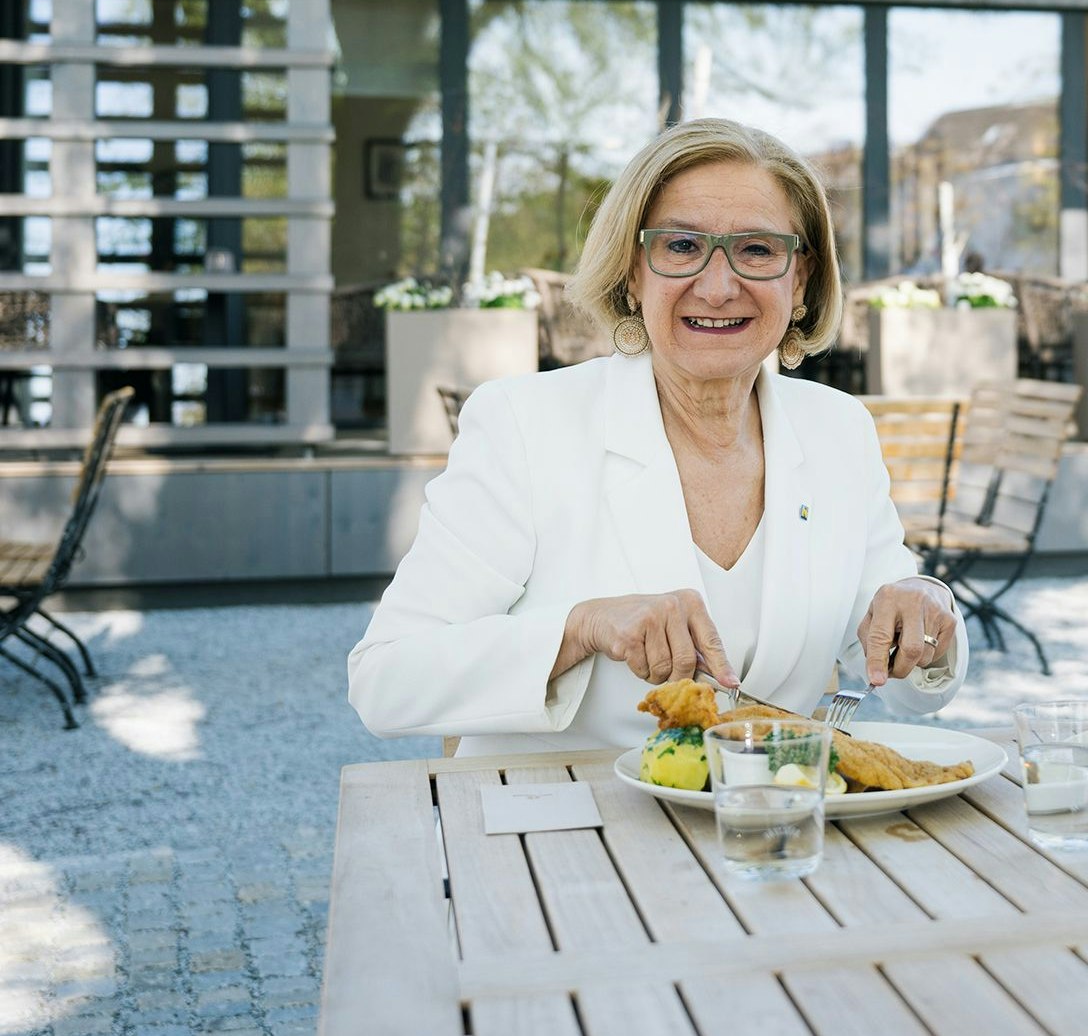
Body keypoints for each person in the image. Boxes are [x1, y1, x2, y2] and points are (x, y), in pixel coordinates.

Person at [349, 118, 964, 754]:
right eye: (680, 247)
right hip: (567, 834)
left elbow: (905, 664)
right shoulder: (523, 424)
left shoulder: (839, 429)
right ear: (632, 273)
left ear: (801, 280)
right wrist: (580, 628)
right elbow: (386, 679)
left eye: (757, 250)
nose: (719, 286)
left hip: (773, 829)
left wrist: (923, 610)